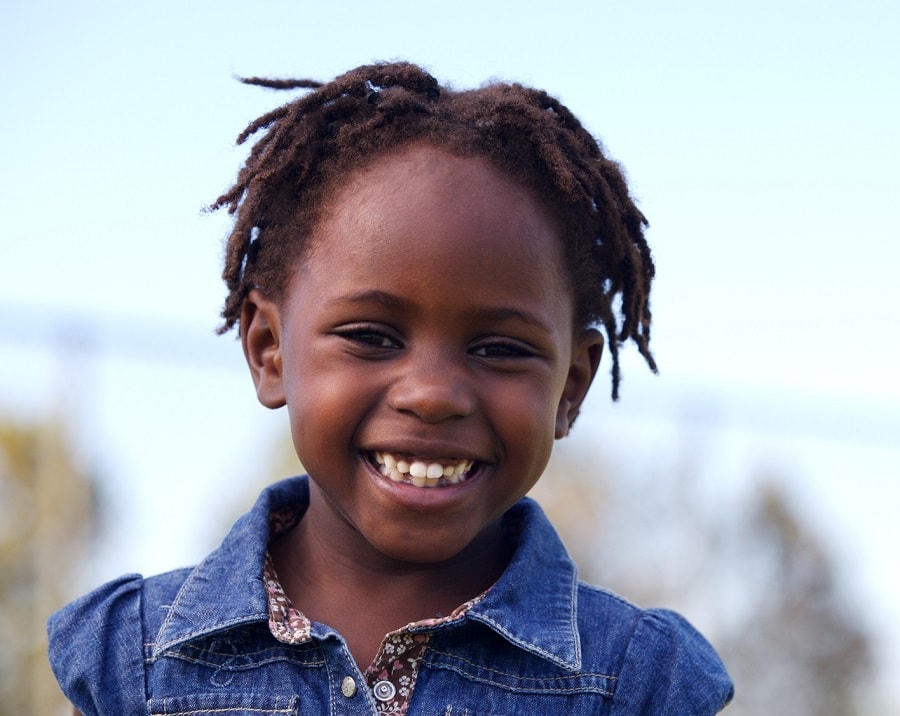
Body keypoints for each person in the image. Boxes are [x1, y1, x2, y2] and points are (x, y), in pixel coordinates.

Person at [48, 61, 734, 715]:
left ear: (571, 385)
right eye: (373, 337)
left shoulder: (637, 683)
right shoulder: (136, 663)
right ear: (268, 348)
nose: (433, 394)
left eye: (500, 348)